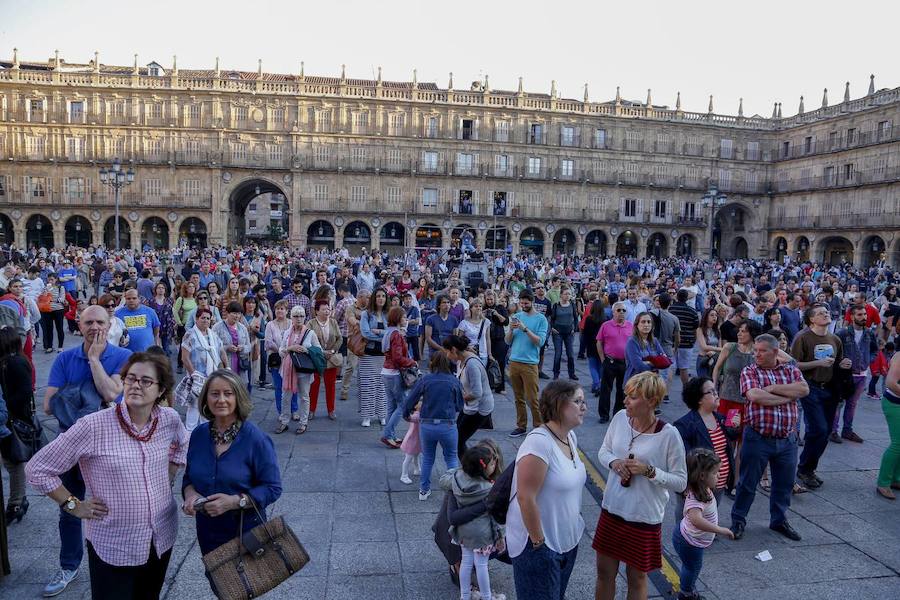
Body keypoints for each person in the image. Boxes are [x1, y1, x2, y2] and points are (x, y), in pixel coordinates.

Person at [27, 352, 188, 599]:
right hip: (114, 544)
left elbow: (183, 444)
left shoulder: (169, 419)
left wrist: (171, 471)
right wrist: (73, 505)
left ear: (161, 390)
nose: (136, 385)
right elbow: (38, 468)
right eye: (131, 378)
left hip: (160, 538)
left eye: (146, 381)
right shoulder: (93, 426)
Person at [39, 304, 132, 596]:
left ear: (109, 325)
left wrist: (93, 361)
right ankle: (69, 564)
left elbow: (111, 394)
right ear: (79, 326)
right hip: (72, 448)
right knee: (69, 507)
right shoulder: (65, 358)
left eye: (100, 322)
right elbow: (47, 403)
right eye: (88, 322)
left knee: (117, 506)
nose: (94, 327)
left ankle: (122, 558)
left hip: (112, 447)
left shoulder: (124, 357)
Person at [181, 369, 283, 580]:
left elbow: (272, 488)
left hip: (246, 532)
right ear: (205, 398)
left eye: (228, 393)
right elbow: (189, 478)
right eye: (214, 393)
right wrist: (190, 495)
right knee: (221, 586)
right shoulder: (199, 435)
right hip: (208, 533)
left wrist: (236, 501)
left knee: (245, 588)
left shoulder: (256, 440)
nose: (221, 400)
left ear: (238, 396)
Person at [594, 372, 687, 600]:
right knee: (604, 573)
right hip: (613, 508)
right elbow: (604, 451)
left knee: (637, 578)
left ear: (652, 402)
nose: (625, 400)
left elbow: (681, 481)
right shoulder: (619, 418)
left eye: (633, 397)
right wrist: (615, 463)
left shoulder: (669, 435)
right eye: (627, 395)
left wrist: (650, 471)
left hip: (643, 516)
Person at [505, 379, 586, 600]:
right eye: (578, 401)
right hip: (539, 546)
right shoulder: (539, 443)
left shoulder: (570, 437)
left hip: (567, 541)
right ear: (560, 405)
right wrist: (540, 544)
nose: (584, 407)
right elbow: (525, 497)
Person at [730, 333, 808, 541]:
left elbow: (804, 389)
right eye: (755, 350)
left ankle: (779, 520)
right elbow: (755, 396)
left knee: (783, 484)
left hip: (787, 439)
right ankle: (738, 520)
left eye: (762, 351)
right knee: (747, 483)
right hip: (758, 437)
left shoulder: (790, 369)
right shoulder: (750, 370)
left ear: (775, 352)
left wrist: (773, 389)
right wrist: (787, 396)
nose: (757, 354)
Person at [791, 304, 847, 490]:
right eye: (821, 313)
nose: (825, 314)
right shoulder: (802, 337)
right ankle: (804, 469)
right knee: (819, 429)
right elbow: (793, 365)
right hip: (810, 387)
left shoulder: (835, 338)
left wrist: (844, 363)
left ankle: (808, 468)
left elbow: (837, 361)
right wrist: (818, 363)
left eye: (827, 312)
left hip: (830, 389)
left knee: (825, 431)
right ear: (811, 319)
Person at [439, 445, 506, 600]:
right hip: (482, 535)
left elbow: (445, 479)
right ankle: (487, 596)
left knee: (466, 563)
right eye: (491, 464)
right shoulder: (489, 489)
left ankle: (465, 595)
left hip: (462, 532)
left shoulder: (457, 481)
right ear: (482, 469)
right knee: (482, 565)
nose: (494, 465)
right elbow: (494, 517)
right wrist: (500, 535)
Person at [672, 448, 735, 600]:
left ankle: (689, 587)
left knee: (693, 566)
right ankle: (686, 593)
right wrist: (720, 530)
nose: (719, 475)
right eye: (715, 473)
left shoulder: (703, 489)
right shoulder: (696, 497)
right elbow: (696, 520)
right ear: (702, 476)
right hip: (689, 541)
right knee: (692, 567)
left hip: (692, 540)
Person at [402, 351, 464, 501]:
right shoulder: (454, 381)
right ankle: (453, 491)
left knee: (428, 458)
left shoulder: (425, 380)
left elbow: (410, 399)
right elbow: (459, 406)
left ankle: (424, 490)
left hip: (427, 425)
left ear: (432, 363)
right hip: (447, 425)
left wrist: (407, 414)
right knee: (451, 457)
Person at [674, 378, 738, 520]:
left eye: (716, 390)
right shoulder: (685, 424)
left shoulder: (721, 418)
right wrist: (688, 487)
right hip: (697, 486)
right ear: (699, 399)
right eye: (711, 391)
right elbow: (682, 459)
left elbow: (729, 442)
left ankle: (706, 535)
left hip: (718, 484)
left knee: (710, 514)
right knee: (688, 520)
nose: (717, 394)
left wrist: (734, 427)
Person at [712, 320, 761, 481]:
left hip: (747, 403)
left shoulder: (758, 352)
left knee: (743, 444)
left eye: (743, 331)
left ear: (752, 334)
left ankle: (736, 480)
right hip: (728, 401)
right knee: (728, 441)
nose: (739, 334)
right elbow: (717, 368)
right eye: (739, 331)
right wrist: (714, 389)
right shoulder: (730, 348)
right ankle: (725, 476)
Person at [0, 327, 35, 525]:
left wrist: (6, 407)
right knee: (11, 461)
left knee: (14, 461)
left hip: (13, 419)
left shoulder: (14, 362)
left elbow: (24, 392)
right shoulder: (12, 361)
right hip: (11, 417)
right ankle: (18, 500)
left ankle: (16, 502)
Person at [832, 304, 878, 444]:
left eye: (864, 314)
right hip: (845, 375)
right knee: (839, 403)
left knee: (852, 404)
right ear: (852, 316)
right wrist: (840, 362)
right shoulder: (842, 333)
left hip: (862, 374)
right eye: (859, 315)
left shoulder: (869, 333)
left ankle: (847, 430)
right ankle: (833, 431)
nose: (863, 317)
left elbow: (874, 351)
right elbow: (834, 351)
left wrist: (867, 361)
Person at [505, 289, 549, 437]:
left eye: (526, 303)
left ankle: (538, 425)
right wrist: (510, 330)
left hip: (530, 364)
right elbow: (508, 341)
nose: (523, 305)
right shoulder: (516, 316)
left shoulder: (541, 319)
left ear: (532, 302)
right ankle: (521, 426)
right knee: (518, 398)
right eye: (521, 303)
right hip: (514, 362)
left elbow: (540, 342)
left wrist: (525, 329)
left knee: (532, 398)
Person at [443, 334, 494, 459]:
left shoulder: (471, 364)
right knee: (456, 438)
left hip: (479, 409)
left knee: (458, 440)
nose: (447, 356)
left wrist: (456, 399)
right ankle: (470, 467)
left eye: (447, 352)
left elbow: (477, 393)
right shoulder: (461, 360)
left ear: (454, 350)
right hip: (470, 406)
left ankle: (472, 469)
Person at [180, 307, 227, 432]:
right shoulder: (190, 334)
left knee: (207, 406)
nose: (205, 320)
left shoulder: (213, 335)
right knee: (194, 406)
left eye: (208, 318)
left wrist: (226, 367)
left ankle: (204, 434)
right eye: (203, 318)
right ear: (196, 319)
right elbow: (185, 357)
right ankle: (189, 437)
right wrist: (193, 374)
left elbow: (221, 351)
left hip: (211, 376)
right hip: (196, 376)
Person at [278, 305, 321, 434]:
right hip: (288, 369)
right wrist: (289, 348)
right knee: (285, 397)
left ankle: (303, 423)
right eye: (296, 316)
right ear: (291, 317)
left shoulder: (310, 333)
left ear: (305, 317)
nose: (299, 319)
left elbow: (318, 350)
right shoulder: (286, 332)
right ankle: (284, 421)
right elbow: (281, 350)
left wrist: (306, 350)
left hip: (303, 370)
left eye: (301, 316)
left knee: (304, 397)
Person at [380, 306, 417, 448]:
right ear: (397, 318)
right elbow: (398, 358)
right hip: (395, 373)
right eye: (404, 317)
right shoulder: (396, 334)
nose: (406, 319)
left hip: (386, 371)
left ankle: (391, 435)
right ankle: (388, 434)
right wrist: (412, 362)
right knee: (402, 405)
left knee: (391, 405)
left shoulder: (388, 332)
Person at [596, 301, 632, 424]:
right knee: (605, 389)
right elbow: (599, 342)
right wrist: (602, 359)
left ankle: (618, 413)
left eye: (623, 310)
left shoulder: (630, 326)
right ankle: (604, 415)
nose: (621, 313)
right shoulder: (606, 325)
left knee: (622, 390)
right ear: (613, 312)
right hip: (609, 362)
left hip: (625, 363)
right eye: (618, 310)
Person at [359, 288, 389, 428]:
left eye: (383, 296)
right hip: (368, 355)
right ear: (374, 298)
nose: (381, 298)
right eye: (378, 296)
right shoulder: (366, 314)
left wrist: (380, 332)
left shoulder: (388, 314)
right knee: (367, 387)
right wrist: (384, 336)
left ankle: (382, 415)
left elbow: (393, 333)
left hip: (384, 356)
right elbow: (365, 333)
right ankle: (367, 416)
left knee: (382, 387)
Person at [309, 299, 342, 421]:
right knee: (314, 385)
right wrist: (321, 352)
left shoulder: (333, 322)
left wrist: (332, 351)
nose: (326, 311)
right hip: (316, 358)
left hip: (331, 358)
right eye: (323, 309)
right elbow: (308, 341)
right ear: (317, 311)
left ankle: (331, 410)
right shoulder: (311, 323)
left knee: (330, 385)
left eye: (328, 309)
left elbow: (340, 339)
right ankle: (311, 410)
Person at [212, 301, 253, 390]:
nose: (236, 316)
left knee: (240, 389)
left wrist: (242, 348)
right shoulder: (217, 327)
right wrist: (226, 348)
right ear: (227, 313)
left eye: (239, 313)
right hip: (225, 363)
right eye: (234, 313)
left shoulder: (242, 328)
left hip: (240, 363)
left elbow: (249, 346)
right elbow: (212, 346)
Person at [877, 349, 900, 499]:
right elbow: (891, 383)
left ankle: (895, 479)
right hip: (895, 404)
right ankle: (883, 482)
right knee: (898, 444)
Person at [625, 312, 667, 382]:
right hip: (635, 384)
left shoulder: (655, 341)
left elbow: (665, 361)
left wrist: (647, 362)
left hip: (653, 383)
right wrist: (656, 362)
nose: (646, 325)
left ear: (652, 325)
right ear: (637, 325)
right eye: (643, 322)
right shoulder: (632, 342)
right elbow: (639, 366)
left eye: (649, 322)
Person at [115, 288, 161, 353]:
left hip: (147, 353)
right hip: (126, 355)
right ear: (125, 299)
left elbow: (156, 329)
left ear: (139, 299)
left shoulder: (150, 311)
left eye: (134, 298)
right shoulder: (118, 314)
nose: (131, 300)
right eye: (128, 298)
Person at [669, 289, 699, 386]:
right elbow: (695, 328)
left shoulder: (670, 309)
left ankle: (665, 393)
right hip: (687, 342)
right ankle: (686, 389)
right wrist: (693, 340)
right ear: (687, 299)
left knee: (670, 367)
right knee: (684, 368)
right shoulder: (693, 311)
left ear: (677, 297)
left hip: (672, 342)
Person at [583, 298, 607, 397]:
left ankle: (596, 384)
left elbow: (585, 334)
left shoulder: (589, 318)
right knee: (600, 365)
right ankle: (598, 384)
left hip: (591, 344)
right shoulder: (605, 319)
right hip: (602, 344)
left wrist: (584, 347)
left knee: (592, 366)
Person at [458, 296, 491, 366]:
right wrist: (467, 348)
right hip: (468, 353)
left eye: (480, 306)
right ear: (471, 308)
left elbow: (488, 339)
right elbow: (460, 340)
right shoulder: (464, 323)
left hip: (483, 355)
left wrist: (489, 354)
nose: (478, 308)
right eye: (476, 306)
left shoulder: (486, 322)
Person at [173, 282, 198, 373]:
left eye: (193, 286)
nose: (191, 288)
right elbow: (175, 311)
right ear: (186, 289)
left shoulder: (196, 299)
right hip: (184, 325)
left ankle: (192, 364)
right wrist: (179, 323)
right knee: (183, 345)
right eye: (189, 287)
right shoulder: (181, 299)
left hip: (195, 325)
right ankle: (180, 364)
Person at [40, 273, 68, 353]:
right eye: (49, 279)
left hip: (58, 310)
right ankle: (49, 346)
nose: (50, 281)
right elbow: (42, 297)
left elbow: (62, 298)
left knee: (59, 328)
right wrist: (46, 291)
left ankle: (60, 346)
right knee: (49, 329)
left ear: (56, 280)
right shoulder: (45, 288)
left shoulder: (60, 287)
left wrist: (52, 299)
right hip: (47, 310)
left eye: (52, 279)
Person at [147, 282, 176, 356]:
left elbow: (173, 313)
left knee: (166, 349)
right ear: (155, 290)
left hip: (166, 328)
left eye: (162, 288)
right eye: (159, 288)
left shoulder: (170, 300)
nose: (161, 289)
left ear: (165, 290)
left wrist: (173, 323)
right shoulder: (151, 301)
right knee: (157, 350)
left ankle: (166, 365)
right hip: (154, 328)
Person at [695, 308, 723, 379]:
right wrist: (719, 349)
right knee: (703, 384)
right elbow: (704, 347)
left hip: (715, 358)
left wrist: (717, 350)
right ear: (706, 317)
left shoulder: (718, 331)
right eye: (712, 315)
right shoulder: (700, 330)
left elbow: (720, 346)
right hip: (703, 359)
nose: (714, 317)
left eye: (716, 315)